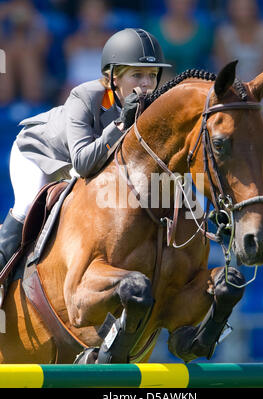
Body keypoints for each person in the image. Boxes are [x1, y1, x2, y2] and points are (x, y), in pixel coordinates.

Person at [0, 27, 171, 273]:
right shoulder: (85, 96)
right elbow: (82, 163)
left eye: (152, 76)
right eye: (137, 75)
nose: (146, 85)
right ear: (114, 78)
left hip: (82, 167)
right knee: (27, 206)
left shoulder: (151, 107)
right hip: (40, 154)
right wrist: (122, 123)